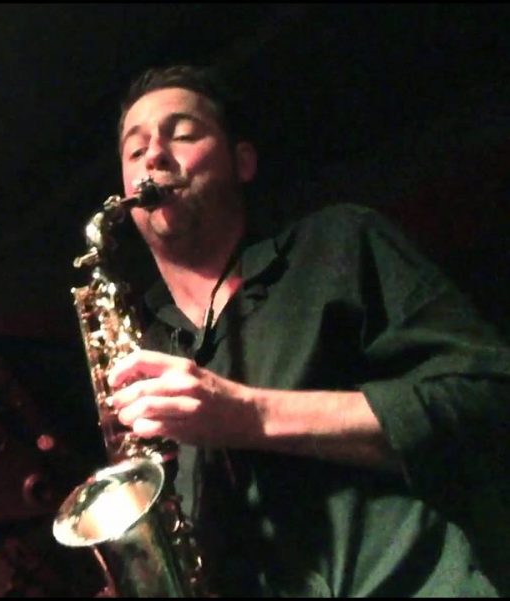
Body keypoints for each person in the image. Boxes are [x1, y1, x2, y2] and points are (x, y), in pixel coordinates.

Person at [99, 64, 510, 596]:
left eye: (182, 134)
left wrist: (249, 415)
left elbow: (489, 399)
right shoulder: (138, 352)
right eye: (135, 150)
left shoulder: (339, 243)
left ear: (242, 161)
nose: (154, 155)